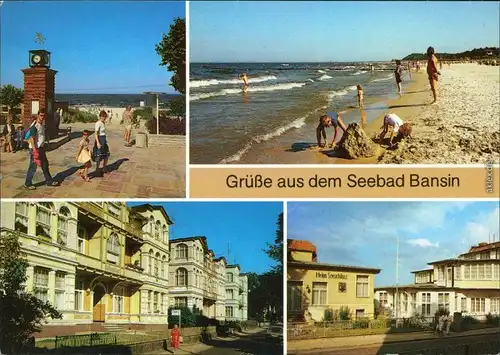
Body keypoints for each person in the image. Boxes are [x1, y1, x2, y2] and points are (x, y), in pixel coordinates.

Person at [24, 109, 60, 189]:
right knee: (33, 167)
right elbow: (32, 139)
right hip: (35, 149)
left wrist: (47, 143)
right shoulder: (35, 126)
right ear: (38, 115)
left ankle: (49, 181)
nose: (42, 117)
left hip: (42, 148)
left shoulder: (42, 124)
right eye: (41, 115)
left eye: (43, 115)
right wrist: (35, 151)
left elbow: (43, 135)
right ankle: (27, 183)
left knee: (45, 165)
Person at [93, 110, 110, 177]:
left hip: (103, 139)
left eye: (105, 117)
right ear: (100, 116)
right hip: (99, 139)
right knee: (99, 155)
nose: (104, 118)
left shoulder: (103, 123)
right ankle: (97, 169)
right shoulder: (98, 123)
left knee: (107, 154)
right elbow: (96, 134)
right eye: (103, 116)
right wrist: (97, 142)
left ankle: (104, 168)